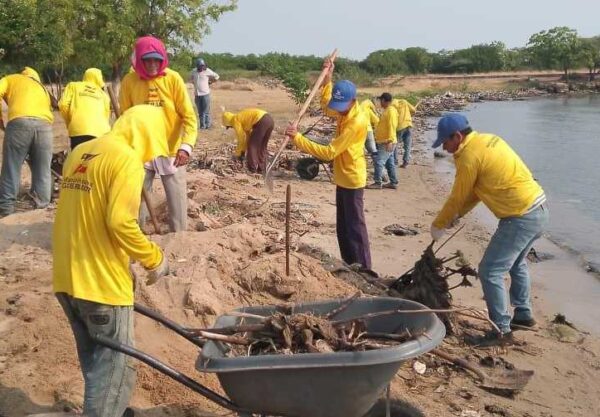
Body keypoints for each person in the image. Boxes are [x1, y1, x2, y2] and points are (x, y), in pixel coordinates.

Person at [53, 105, 171, 417]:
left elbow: (85, 215)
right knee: (113, 372)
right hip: (101, 284)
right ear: (147, 135)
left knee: (95, 363)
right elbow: (120, 223)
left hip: (67, 277)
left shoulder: (81, 151)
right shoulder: (126, 160)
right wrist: (153, 258)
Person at [430, 113, 548, 345]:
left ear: (458, 136)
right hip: (539, 209)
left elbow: (457, 196)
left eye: (445, 141)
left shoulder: (468, 157)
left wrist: (439, 223)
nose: (444, 146)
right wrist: (458, 215)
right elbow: (475, 192)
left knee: (490, 270)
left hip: (520, 217)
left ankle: (501, 331)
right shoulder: (489, 140)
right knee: (516, 262)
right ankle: (523, 314)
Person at [285, 58, 372, 269]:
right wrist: (327, 80)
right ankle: (350, 265)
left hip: (352, 178)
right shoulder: (344, 112)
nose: (338, 110)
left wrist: (298, 139)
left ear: (353, 101)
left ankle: (365, 269)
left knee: (355, 229)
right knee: (343, 228)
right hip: (341, 177)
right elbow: (326, 107)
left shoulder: (356, 121)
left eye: (342, 106)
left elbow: (329, 152)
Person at [119, 35, 198, 232]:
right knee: (135, 199)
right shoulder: (129, 81)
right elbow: (124, 119)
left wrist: (185, 148)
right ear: (139, 61)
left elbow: (189, 117)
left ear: (163, 58)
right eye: (147, 60)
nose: (153, 64)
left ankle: (179, 240)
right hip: (141, 151)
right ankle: (137, 239)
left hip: (171, 150)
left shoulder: (172, 79)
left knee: (177, 200)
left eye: (156, 59)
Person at [0, 67, 54, 217]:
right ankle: (41, 207)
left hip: (19, 124)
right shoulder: (41, 87)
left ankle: (6, 209)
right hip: (45, 127)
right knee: (43, 170)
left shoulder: (11, 78)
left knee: (11, 167)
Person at [58, 68, 111, 150]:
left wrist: (70, 122)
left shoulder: (73, 86)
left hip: (79, 130)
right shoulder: (103, 94)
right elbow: (106, 116)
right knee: (96, 161)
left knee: (78, 160)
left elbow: (63, 105)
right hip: (101, 133)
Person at [222, 108, 274, 173]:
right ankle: (262, 168)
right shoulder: (242, 119)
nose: (231, 128)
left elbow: (241, 139)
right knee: (262, 146)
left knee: (252, 146)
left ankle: (252, 169)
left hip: (261, 121)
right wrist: (243, 151)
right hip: (269, 119)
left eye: (229, 126)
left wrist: (239, 154)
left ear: (228, 123)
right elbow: (247, 137)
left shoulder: (235, 120)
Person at [367, 93, 398, 190]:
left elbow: (392, 126)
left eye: (381, 101)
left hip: (387, 142)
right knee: (390, 163)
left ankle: (377, 182)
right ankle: (393, 182)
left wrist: (390, 141)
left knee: (379, 161)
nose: (380, 103)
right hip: (384, 141)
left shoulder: (391, 111)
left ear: (384, 100)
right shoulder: (387, 111)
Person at [191, 58, 219, 129]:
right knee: (200, 112)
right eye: (199, 66)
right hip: (197, 94)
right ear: (197, 66)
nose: (201, 67)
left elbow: (216, 76)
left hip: (205, 94)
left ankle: (207, 126)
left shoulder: (207, 71)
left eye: (202, 66)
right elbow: (192, 78)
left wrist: (211, 82)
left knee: (205, 111)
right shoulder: (194, 71)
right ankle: (202, 126)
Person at [392, 97, 418, 167]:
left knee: (395, 144)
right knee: (407, 145)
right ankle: (406, 161)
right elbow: (413, 110)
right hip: (408, 125)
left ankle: (395, 161)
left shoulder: (392, 106)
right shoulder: (404, 102)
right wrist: (412, 112)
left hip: (399, 127)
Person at [359, 98, 379, 162]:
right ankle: (379, 167)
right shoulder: (368, 109)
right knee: (373, 149)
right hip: (368, 130)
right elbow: (377, 121)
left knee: (360, 149)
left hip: (358, 131)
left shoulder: (359, 108)